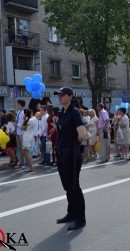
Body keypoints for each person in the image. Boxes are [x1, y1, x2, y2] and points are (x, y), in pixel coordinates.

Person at [53, 86, 87, 231]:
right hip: (61, 153)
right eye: (58, 94)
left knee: (74, 186)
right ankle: (71, 213)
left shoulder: (74, 113)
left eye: (62, 94)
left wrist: (74, 144)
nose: (59, 97)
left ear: (70, 96)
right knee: (67, 186)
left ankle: (80, 218)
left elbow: (82, 134)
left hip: (71, 153)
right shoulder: (63, 112)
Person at [15, 99, 26, 167]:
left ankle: (25, 162)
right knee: (19, 148)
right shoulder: (18, 111)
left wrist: (16, 125)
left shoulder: (24, 112)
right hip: (18, 132)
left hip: (22, 132)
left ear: (20, 104)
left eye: (17, 104)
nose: (16, 105)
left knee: (23, 149)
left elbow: (23, 123)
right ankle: (21, 162)